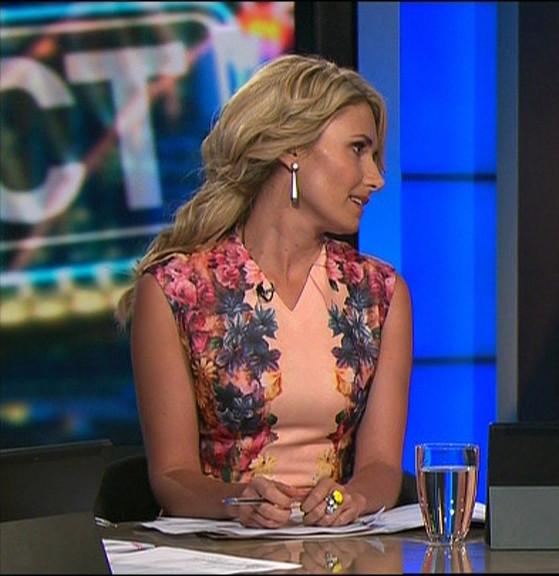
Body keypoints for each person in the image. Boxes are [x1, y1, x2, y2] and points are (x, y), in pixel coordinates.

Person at [114, 54, 412, 529]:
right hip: (217, 549)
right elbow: (171, 475)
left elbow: (380, 468)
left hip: (338, 550)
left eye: (375, 156)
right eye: (358, 149)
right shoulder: (176, 291)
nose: (376, 178)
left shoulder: (380, 294)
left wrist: (351, 499)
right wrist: (237, 502)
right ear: (292, 149)